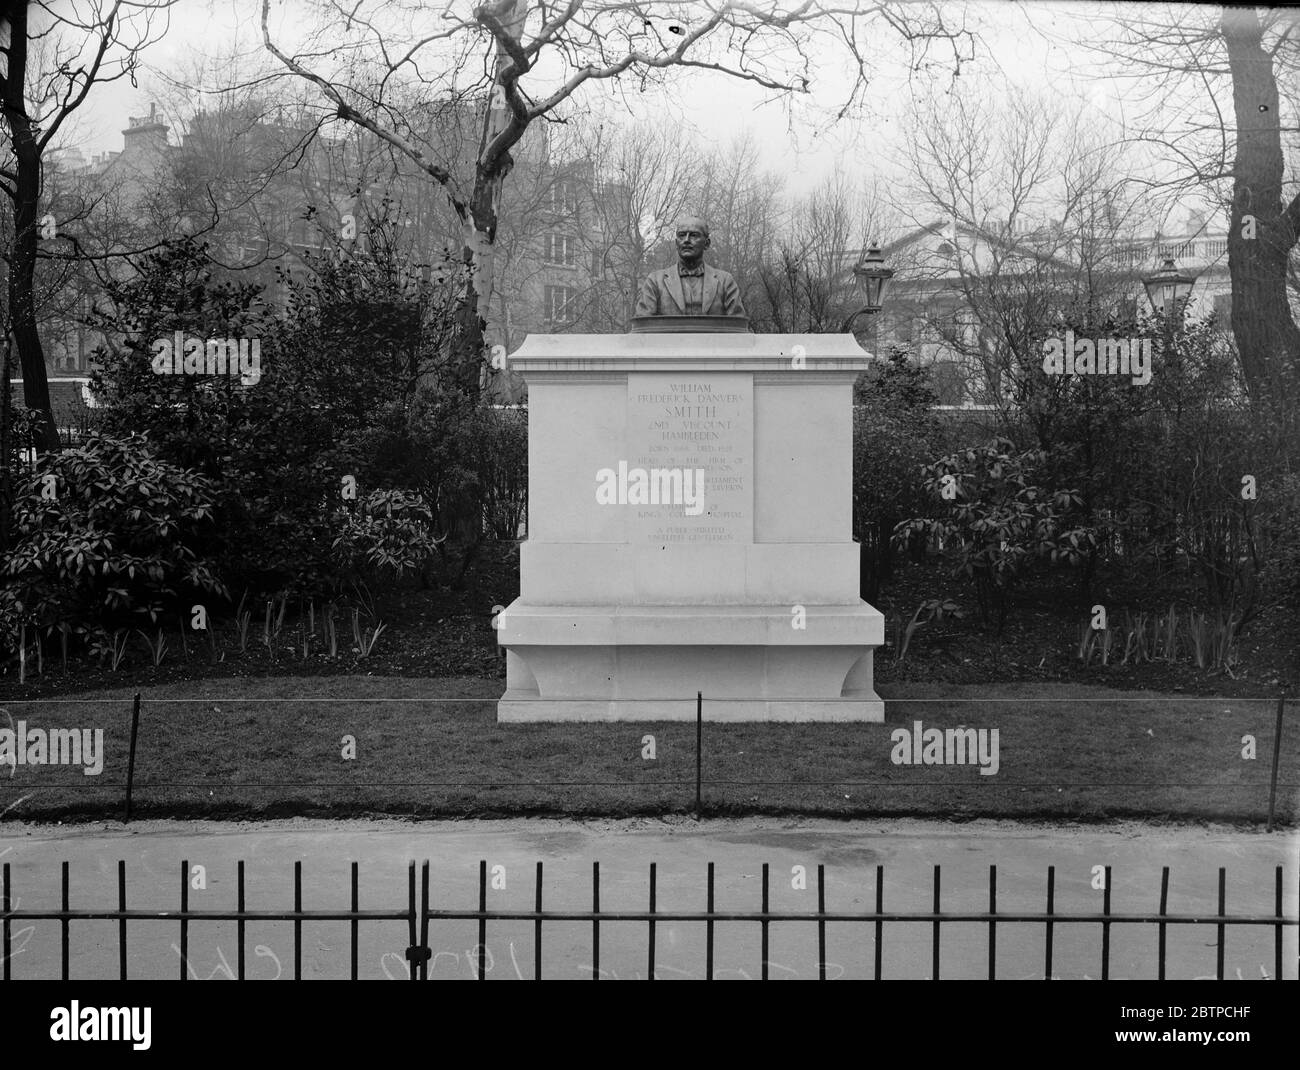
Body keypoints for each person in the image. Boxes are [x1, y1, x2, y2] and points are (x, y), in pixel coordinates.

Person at [634, 216, 747, 318]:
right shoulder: (655, 281)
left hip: (712, 341)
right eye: (681, 235)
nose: (686, 240)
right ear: (676, 243)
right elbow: (643, 326)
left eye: (694, 235)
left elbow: (737, 325)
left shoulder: (725, 281)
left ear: (707, 244)